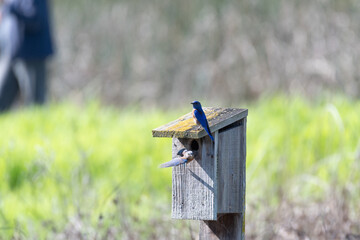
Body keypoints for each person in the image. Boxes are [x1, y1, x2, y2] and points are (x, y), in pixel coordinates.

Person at [0, 0, 54, 112]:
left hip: (32, 56)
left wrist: (9, 9)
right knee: (2, 100)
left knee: (36, 103)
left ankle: (38, 128)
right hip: (13, 54)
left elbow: (35, 20)